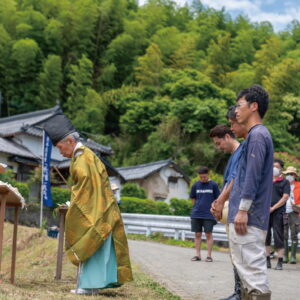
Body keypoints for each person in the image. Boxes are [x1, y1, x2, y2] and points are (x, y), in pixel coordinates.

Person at [44, 113, 133, 295]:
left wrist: (74, 202)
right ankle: (90, 284)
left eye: (60, 147)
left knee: (91, 243)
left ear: (69, 141)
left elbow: (85, 188)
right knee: (98, 247)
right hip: (101, 207)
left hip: (95, 209)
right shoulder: (84, 155)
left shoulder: (83, 158)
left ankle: (88, 285)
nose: (60, 152)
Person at [228, 85, 273, 300]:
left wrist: (243, 209)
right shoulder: (254, 136)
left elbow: (252, 176)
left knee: (252, 272)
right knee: (246, 271)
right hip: (249, 214)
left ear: (253, 106)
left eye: (239, 105)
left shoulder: (257, 136)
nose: (236, 111)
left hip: (250, 216)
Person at [209, 121, 244, 300]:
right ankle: (238, 291)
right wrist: (217, 201)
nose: (219, 147)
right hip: (230, 211)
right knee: (234, 253)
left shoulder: (241, 152)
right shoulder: (233, 156)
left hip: (239, 210)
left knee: (239, 254)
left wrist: (221, 200)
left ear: (228, 136)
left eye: (218, 142)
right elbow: (227, 183)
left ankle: (241, 293)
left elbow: (235, 180)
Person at [190, 166, 220, 262]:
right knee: (197, 234)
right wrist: (196, 208)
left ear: (208, 175)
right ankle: (197, 255)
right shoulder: (195, 185)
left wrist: (216, 212)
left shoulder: (213, 185)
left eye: (205, 177)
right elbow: (193, 199)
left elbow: (217, 200)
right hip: (196, 214)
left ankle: (209, 256)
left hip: (209, 214)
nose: (203, 179)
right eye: (201, 177)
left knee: (208, 234)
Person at [265, 158, 290, 270]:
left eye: (277, 167)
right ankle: (267, 260)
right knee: (266, 236)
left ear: (281, 169)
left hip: (278, 212)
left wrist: (273, 208)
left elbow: (285, 197)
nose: (274, 169)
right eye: (273, 166)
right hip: (266, 211)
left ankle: (280, 261)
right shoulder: (267, 181)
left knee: (278, 235)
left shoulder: (285, 182)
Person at [282, 166, 300, 264]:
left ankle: (293, 256)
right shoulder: (283, 185)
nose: (289, 176)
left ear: (295, 175)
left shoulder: (299, 185)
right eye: (287, 174)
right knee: (284, 232)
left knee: (294, 233)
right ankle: (285, 255)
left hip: (295, 212)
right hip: (284, 211)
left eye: (291, 174)